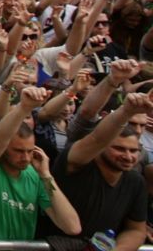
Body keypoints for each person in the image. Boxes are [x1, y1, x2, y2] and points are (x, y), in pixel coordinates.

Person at [0, 86, 81, 240]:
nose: (25, 157)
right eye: (18, 151)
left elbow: (72, 227)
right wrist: (24, 107)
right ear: (4, 149)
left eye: (30, 151)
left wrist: (46, 175)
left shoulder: (36, 177)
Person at [50, 92, 150, 249]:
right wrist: (126, 111)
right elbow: (97, 138)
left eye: (133, 150)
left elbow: (136, 230)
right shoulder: (76, 163)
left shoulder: (135, 181)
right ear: (101, 148)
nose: (128, 156)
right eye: (119, 149)